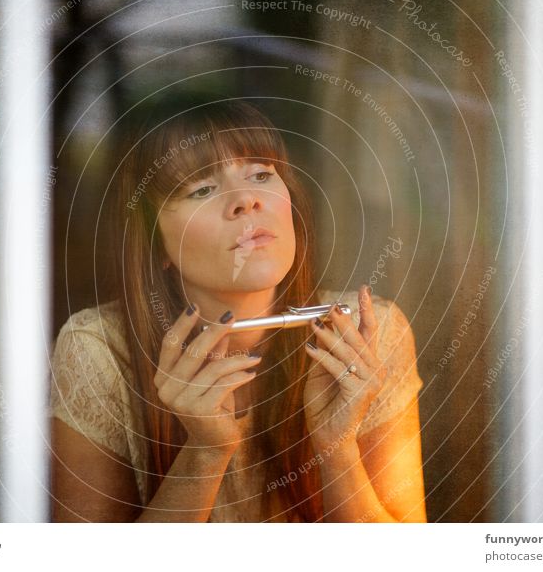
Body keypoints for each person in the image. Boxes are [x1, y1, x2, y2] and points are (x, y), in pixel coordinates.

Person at [48, 96, 426, 522]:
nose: (246, 200)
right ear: (155, 243)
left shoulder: (369, 330)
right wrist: (205, 453)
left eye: (262, 174)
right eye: (202, 189)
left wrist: (338, 448)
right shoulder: (98, 349)